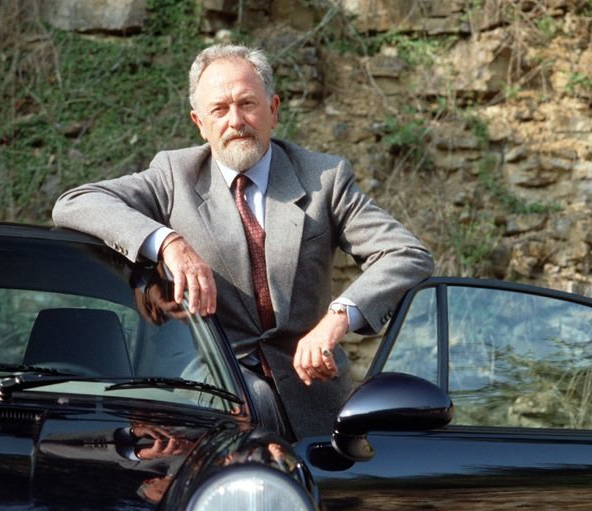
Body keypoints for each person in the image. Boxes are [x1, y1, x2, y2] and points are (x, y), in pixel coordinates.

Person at [53, 44, 434, 436]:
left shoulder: (325, 179)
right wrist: (169, 243)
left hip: (315, 408)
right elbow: (75, 203)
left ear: (273, 109)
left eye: (247, 104)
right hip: (209, 404)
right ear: (199, 122)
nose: (236, 121)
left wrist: (335, 321)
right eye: (219, 109)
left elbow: (406, 253)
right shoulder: (173, 175)